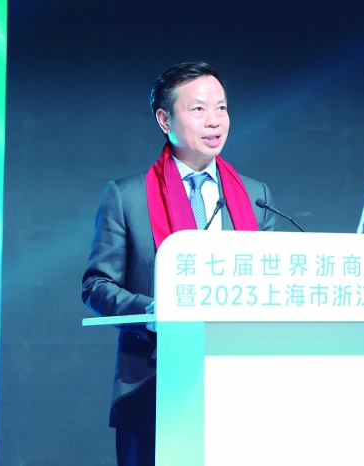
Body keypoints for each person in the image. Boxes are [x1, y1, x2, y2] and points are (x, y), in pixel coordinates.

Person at [81, 61, 278, 466]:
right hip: (152, 386)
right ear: (164, 119)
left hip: (240, 386)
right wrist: (155, 311)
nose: (214, 121)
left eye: (221, 108)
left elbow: (272, 283)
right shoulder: (127, 196)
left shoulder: (255, 196)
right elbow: (96, 285)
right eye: (199, 109)